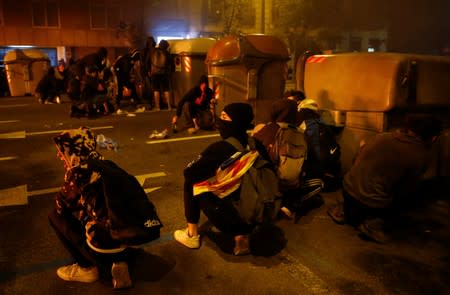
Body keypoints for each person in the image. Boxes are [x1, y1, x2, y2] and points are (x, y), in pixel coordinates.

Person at [48, 127, 162, 289]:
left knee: (54, 215)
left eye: (62, 150)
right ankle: (121, 259)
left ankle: (87, 267)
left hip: (105, 248)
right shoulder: (108, 165)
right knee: (100, 214)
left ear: (73, 150)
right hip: (133, 238)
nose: (59, 155)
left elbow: (61, 206)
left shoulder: (78, 174)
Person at [327, 114, 443, 243]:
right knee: (410, 197)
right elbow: (406, 189)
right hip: (371, 204)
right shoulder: (421, 156)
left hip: (347, 190)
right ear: (433, 138)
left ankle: (346, 211)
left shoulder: (382, 137)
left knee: (367, 185)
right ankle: (372, 223)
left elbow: (356, 160)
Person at [174, 103, 269, 255]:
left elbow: (189, 173)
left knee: (192, 182)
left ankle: (191, 234)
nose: (219, 121)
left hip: (231, 221)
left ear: (235, 122)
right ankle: (243, 238)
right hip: (259, 215)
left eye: (224, 117)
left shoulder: (220, 148)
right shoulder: (255, 144)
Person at [150, 39, 172, 111]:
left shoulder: (153, 51)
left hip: (155, 73)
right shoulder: (166, 53)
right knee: (166, 89)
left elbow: (149, 61)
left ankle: (158, 107)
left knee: (156, 89)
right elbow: (170, 63)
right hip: (164, 73)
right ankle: (169, 106)